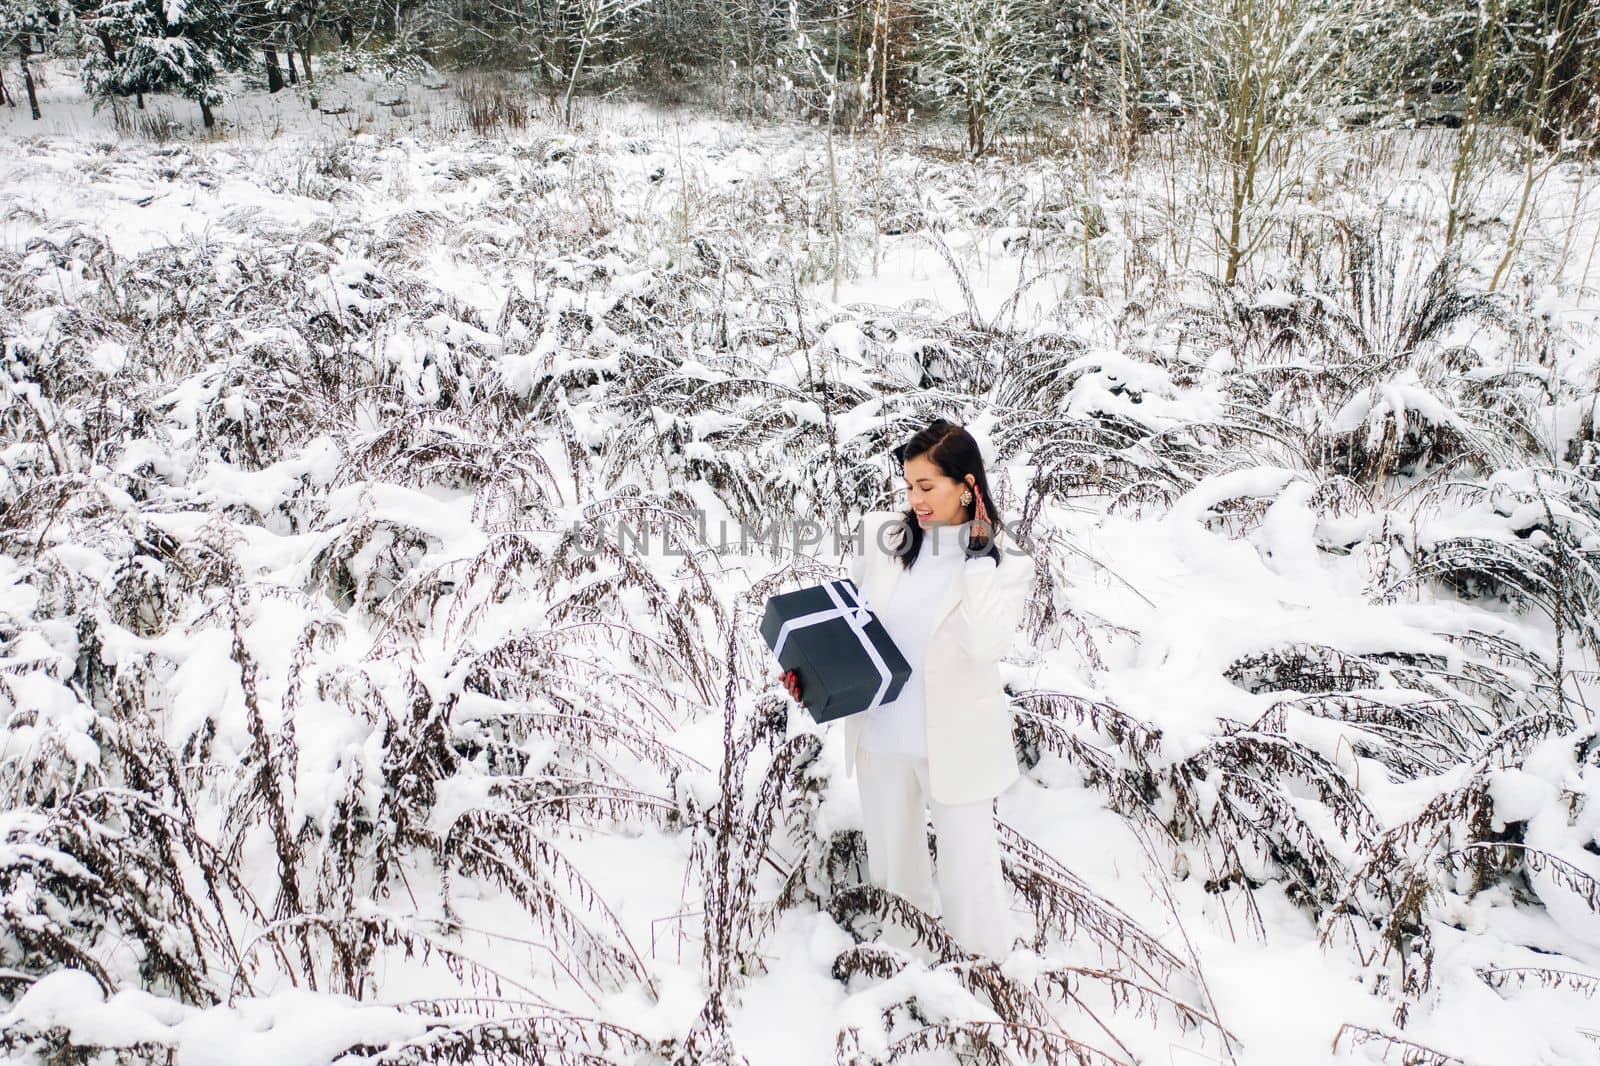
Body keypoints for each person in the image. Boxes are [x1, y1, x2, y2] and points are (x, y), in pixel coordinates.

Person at [776, 418, 1036, 959]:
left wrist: (978, 560)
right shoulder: (885, 538)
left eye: (926, 487)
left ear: (967, 486)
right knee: (896, 877)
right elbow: (853, 624)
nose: (912, 499)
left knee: (971, 880)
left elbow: (986, 644)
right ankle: (908, 979)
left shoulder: (1007, 564)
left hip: (956, 745)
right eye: (908, 484)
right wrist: (813, 669)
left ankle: (984, 982)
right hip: (882, 739)